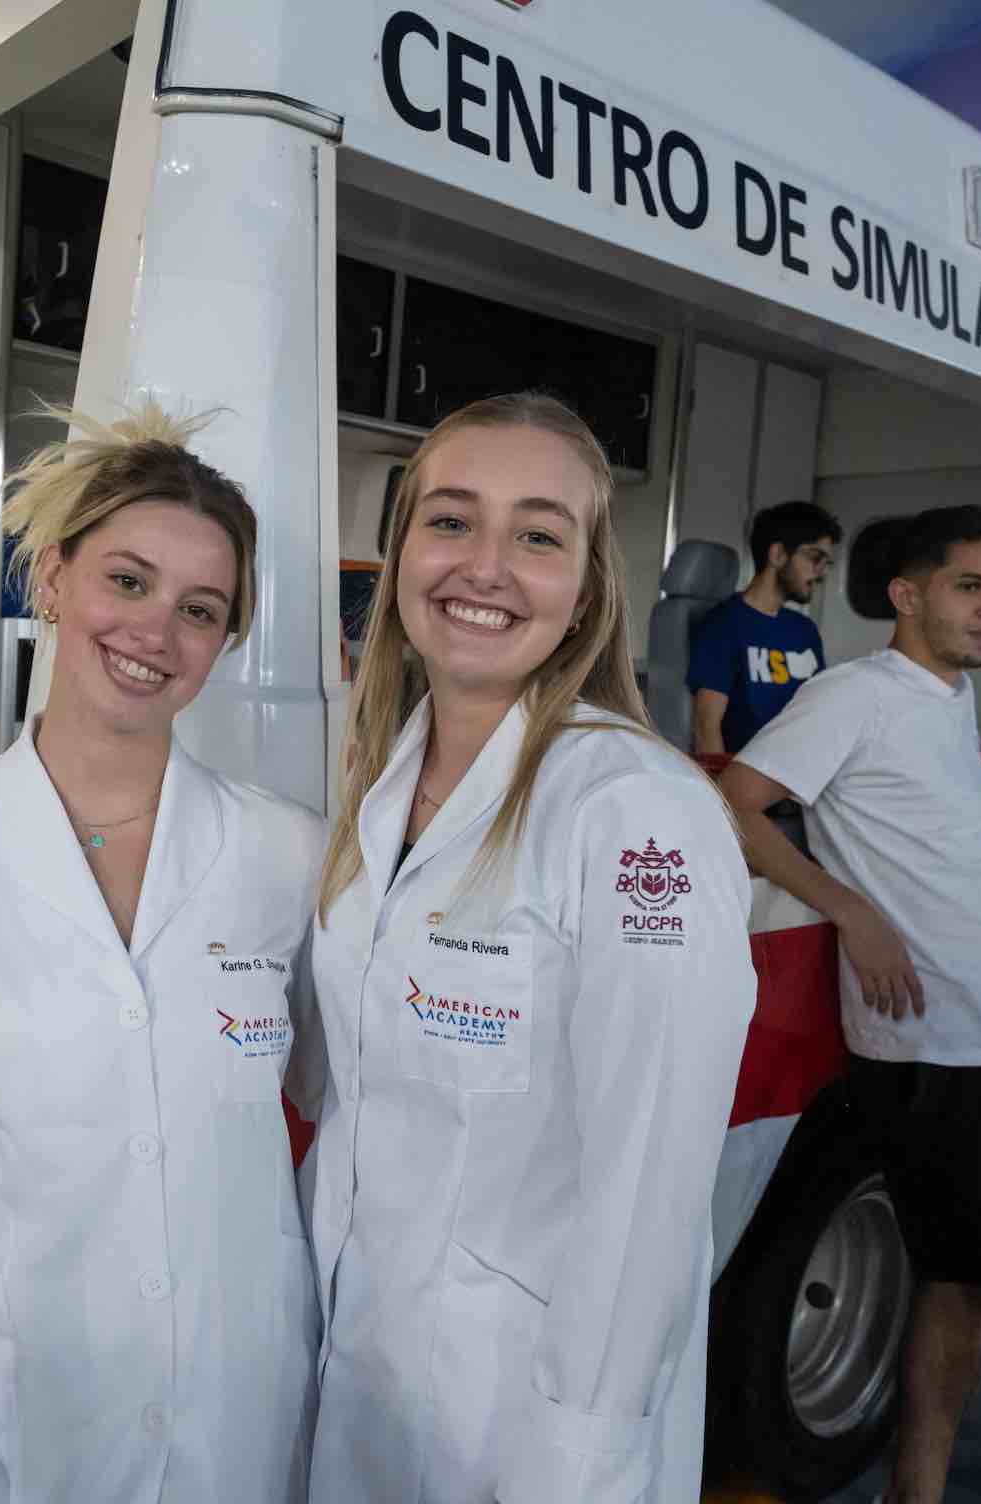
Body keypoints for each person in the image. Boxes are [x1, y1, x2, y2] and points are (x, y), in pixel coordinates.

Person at [0, 404, 325, 1502]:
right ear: (52, 580)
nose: (157, 631)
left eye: (202, 608)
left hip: (241, 1415)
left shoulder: (284, 853)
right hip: (15, 1418)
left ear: (227, 639)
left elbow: (344, 1120)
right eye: (129, 580)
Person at [301, 393, 756, 1503]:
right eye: (450, 521)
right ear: (399, 551)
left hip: (525, 1417)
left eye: (538, 534)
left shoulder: (637, 810)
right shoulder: (378, 785)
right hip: (357, 1359)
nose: (484, 565)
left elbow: (652, 1178)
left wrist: (581, 1453)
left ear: (590, 586)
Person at [717, 506, 981, 1504]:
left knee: (958, 1285)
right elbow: (735, 798)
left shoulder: (949, 697)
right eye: (972, 586)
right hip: (940, 1053)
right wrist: (851, 911)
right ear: (907, 593)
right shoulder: (855, 694)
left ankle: (913, 1488)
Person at [688, 499, 841, 756]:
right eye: (815, 558)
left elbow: (817, 714)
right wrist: (724, 795)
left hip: (798, 776)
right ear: (778, 554)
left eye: (826, 563)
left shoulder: (805, 631)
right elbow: (706, 728)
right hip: (746, 779)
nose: (821, 572)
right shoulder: (724, 625)